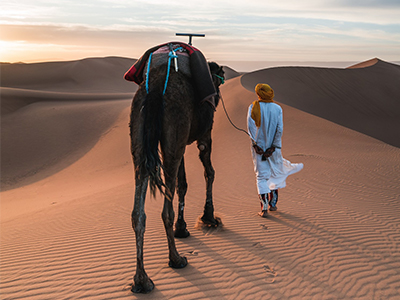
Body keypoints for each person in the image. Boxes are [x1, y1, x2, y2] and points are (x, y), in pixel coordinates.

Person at [247, 83, 303, 217]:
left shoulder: (253, 107)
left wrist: (255, 144)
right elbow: (279, 129)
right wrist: (273, 148)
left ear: (258, 94)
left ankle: (264, 208)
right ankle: (273, 204)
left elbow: (250, 127)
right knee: (274, 174)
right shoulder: (277, 108)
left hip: (258, 149)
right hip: (273, 149)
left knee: (261, 177)